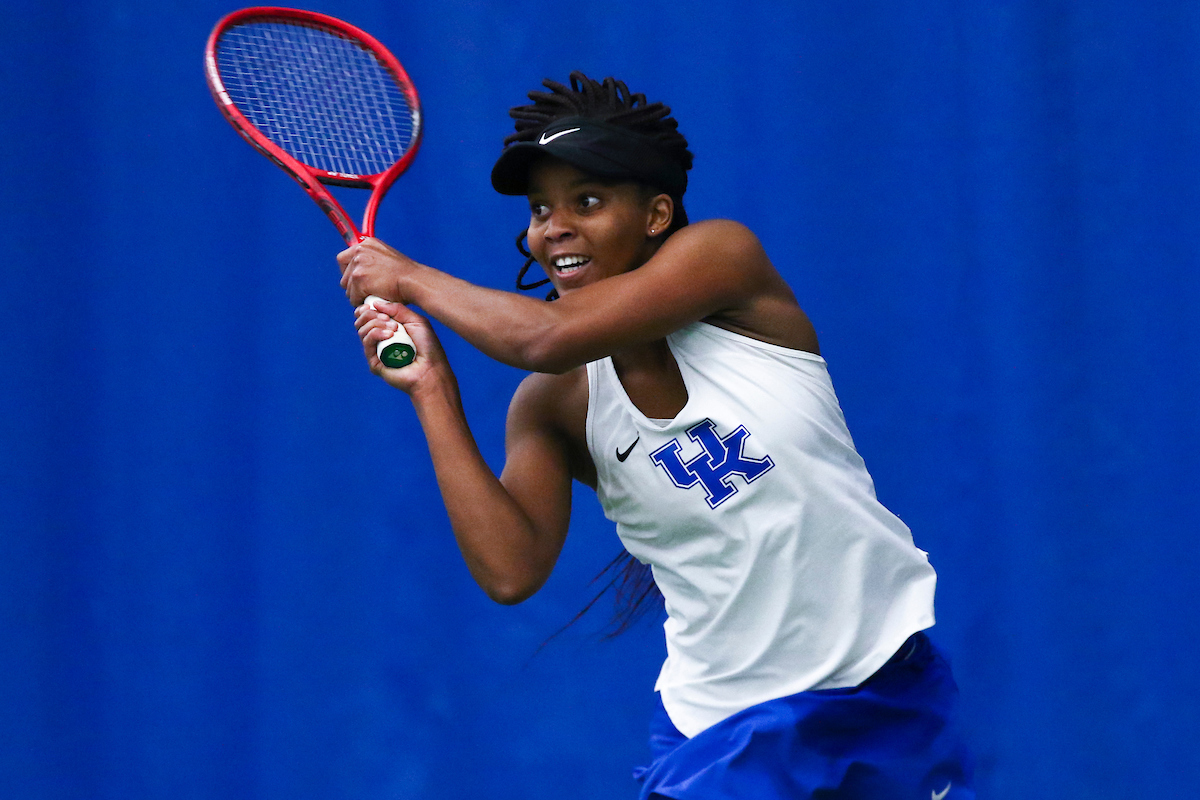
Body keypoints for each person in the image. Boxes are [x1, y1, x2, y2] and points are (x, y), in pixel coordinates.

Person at [337, 72, 974, 800]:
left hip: (889, 688)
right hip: (724, 732)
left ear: (657, 213)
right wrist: (432, 391)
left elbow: (545, 336)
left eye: (587, 201)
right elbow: (511, 570)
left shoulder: (725, 262)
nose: (554, 227)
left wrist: (408, 276)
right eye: (541, 208)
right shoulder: (555, 403)